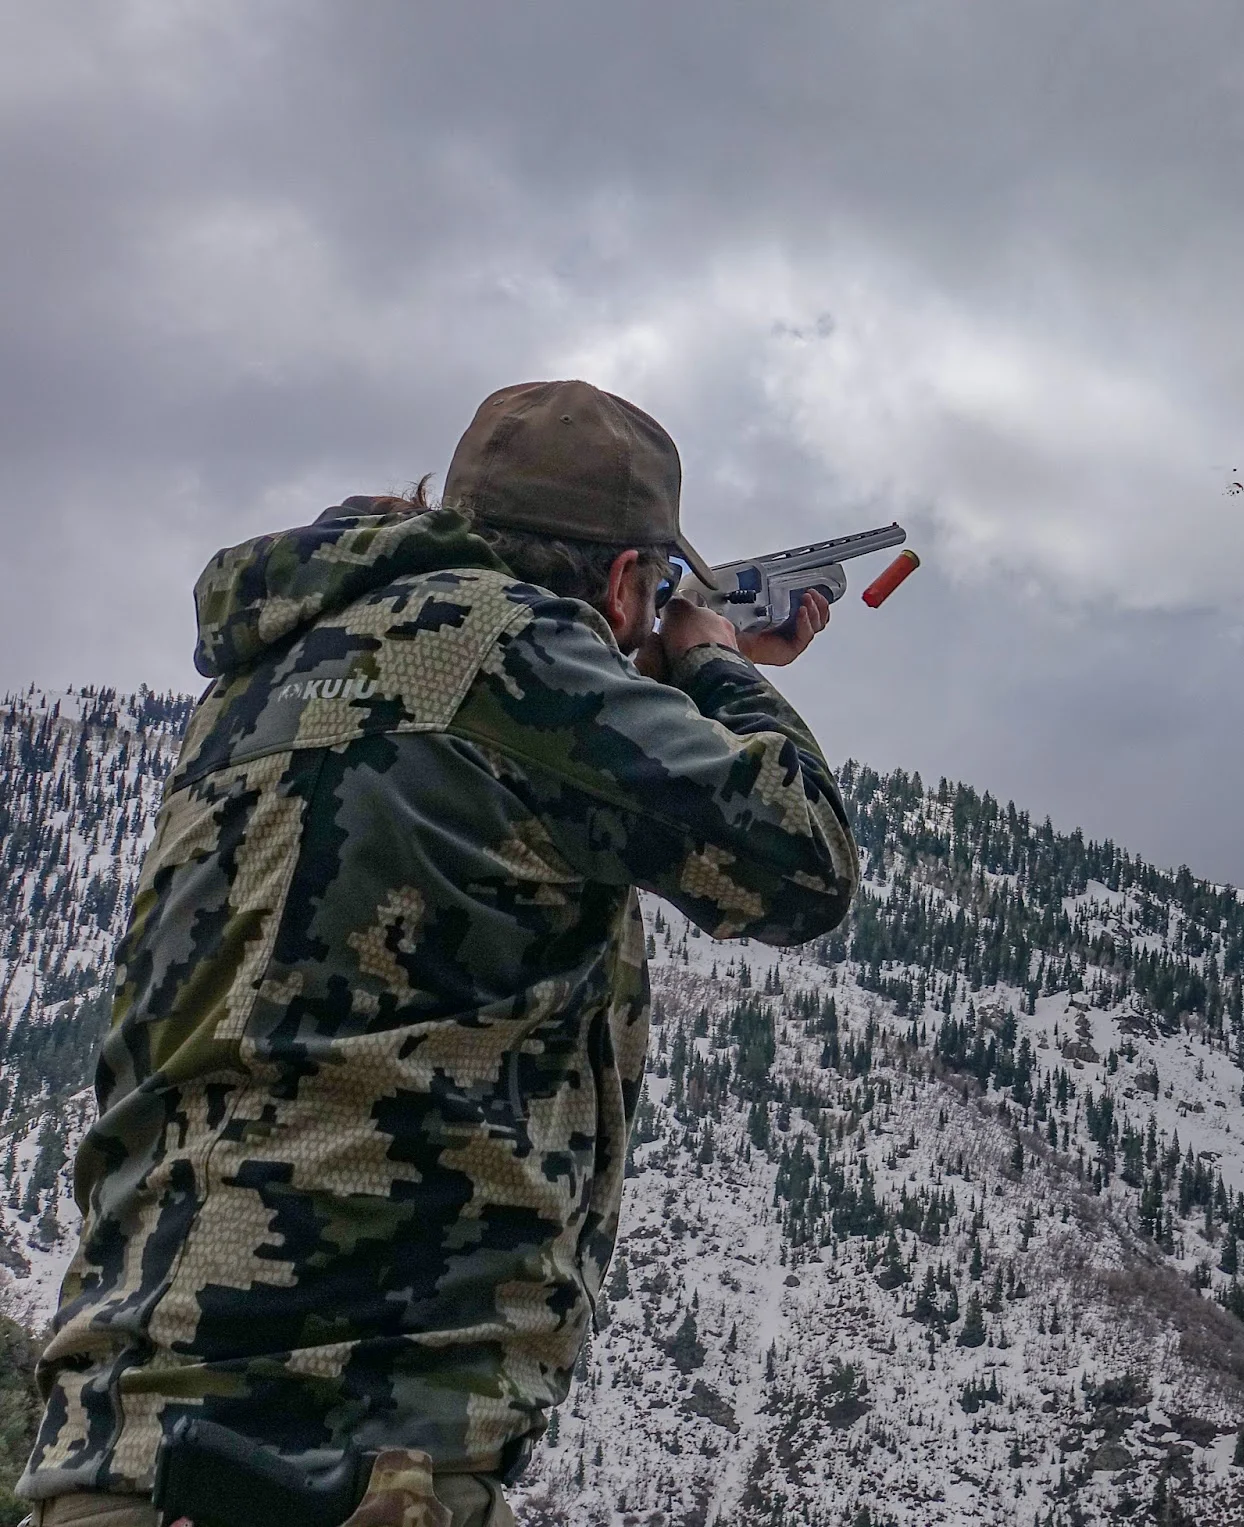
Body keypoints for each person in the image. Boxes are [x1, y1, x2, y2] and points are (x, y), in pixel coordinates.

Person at [18, 381, 860, 1527]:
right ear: (626, 581)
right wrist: (715, 664)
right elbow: (801, 864)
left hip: (117, 1439)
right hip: (340, 1450)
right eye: (655, 590)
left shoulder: (262, 673)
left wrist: (638, 667)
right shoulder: (517, 657)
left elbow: (462, 726)